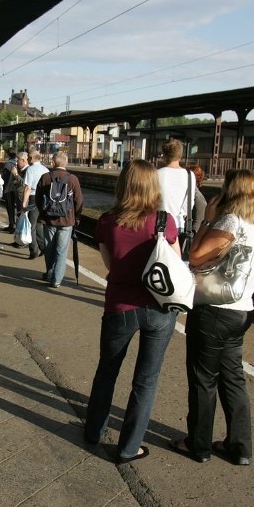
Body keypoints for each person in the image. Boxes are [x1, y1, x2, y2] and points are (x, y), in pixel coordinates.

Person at [170, 168, 254, 466]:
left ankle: (198, 445)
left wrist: (207, 219)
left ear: (233, 191)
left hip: (213, 313)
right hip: (242, 312)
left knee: (203, 379)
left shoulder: (231, 220)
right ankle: (240, 447)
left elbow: (196, 256)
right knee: (233, 380)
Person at [84, 159, 180, 464]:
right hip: (158, 310)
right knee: (145, 381)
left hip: (119, 308)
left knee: (107, 371)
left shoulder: (108, 221)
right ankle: (129, 448)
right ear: (154, 185)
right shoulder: (165, 221)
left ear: (123, 184)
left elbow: (111, 266)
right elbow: (174, 268)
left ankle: (93, 431)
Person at [35, 152, 84, 288]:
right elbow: (79, 200)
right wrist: (77, 217)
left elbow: (38, 198)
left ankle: (50, 273)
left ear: (53, 163)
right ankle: (56, 280)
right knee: (61, 251)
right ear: (66, 163)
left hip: (48, 220)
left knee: (49, 248)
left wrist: (43, 212)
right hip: (67, 220)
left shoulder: (45, 177)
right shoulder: (72, 179)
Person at [157, 138, 196, 237]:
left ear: (164, 155)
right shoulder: (190, 175)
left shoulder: (156, 174)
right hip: (179, 225)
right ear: (180, 155)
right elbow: (189, 204)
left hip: (159, 224)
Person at [20, 150, 49, 259]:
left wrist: (24, 203)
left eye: (28, 158)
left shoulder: (30, 170)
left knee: (31, 226)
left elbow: (27, 188)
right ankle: (44, 247)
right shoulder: (46, 169)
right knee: (39, 225)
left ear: (31, 158)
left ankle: (33, 251)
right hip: (44, 199)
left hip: (33, 197)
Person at [1, 149, 19, 234]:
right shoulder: (17, 163)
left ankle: (12, 225)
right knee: (17, 208)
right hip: (17, 188)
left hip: (9, 188)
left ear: (8, 154)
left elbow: (5, 177)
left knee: (10, 207)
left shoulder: (8, 164)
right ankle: (16, 225)